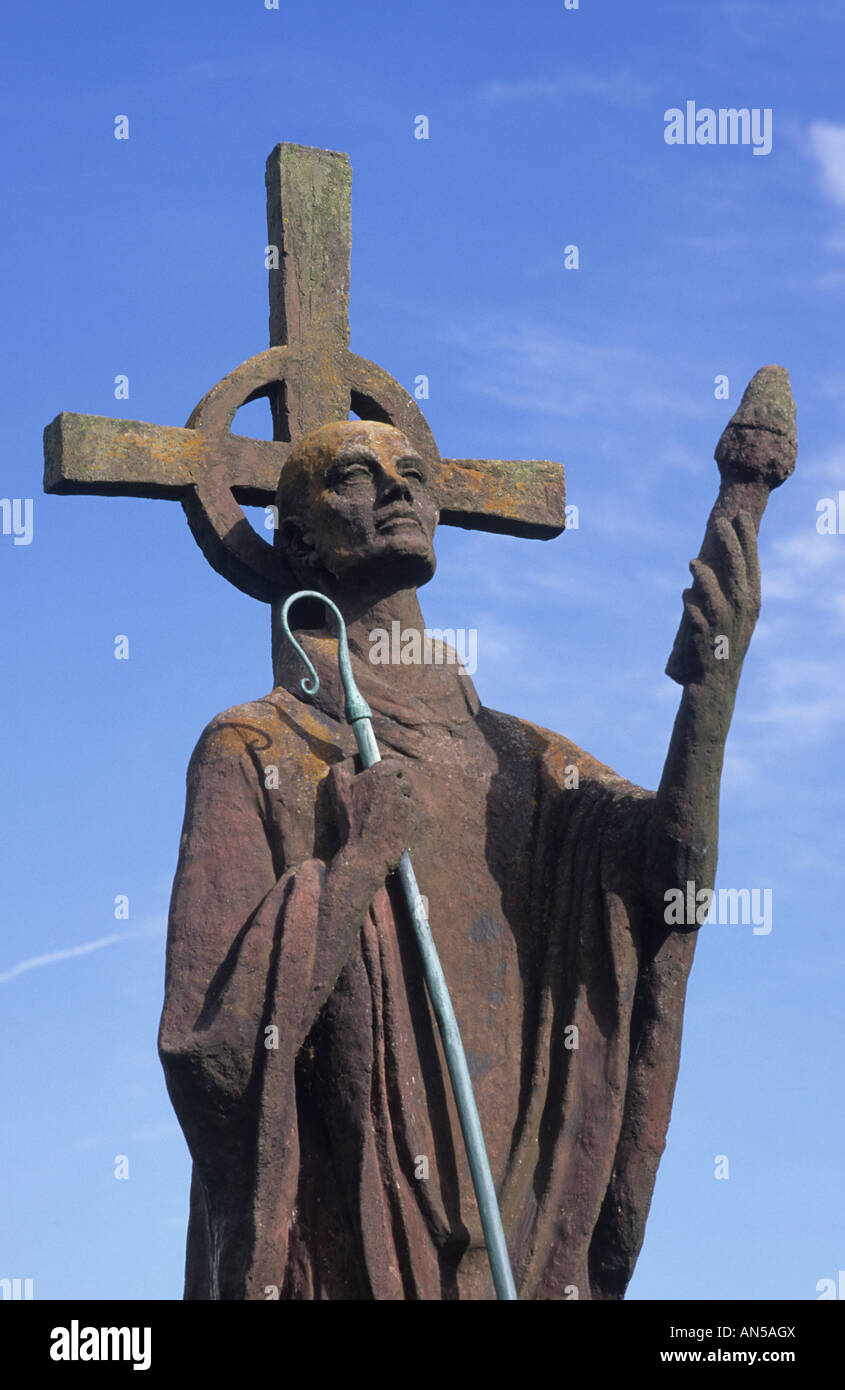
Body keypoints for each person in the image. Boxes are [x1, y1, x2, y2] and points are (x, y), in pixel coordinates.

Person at [158, 416, 764, 1300]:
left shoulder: (526, 759)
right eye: (355, 478)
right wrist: (355, 866)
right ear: (297, 538)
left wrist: (711, 696)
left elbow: (666, 884)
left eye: (411, 472)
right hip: (351, 1233)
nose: (398, 488)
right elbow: (206, 1042)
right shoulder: (253, 745)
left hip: (516, 1207)